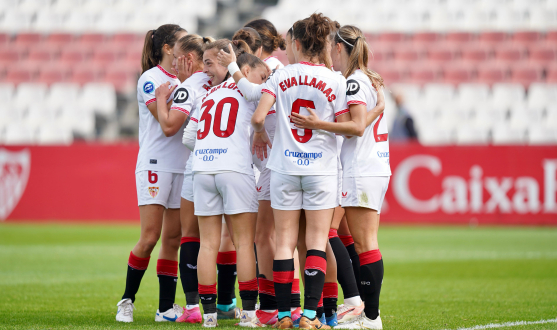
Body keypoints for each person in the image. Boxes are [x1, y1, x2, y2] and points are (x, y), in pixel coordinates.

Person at [290, 24, 390, 330]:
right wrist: (380, 107)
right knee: (362, 241)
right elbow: (365, 121)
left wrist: (318, 124)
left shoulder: (355, 82)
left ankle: (369, 316)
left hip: (360, 169)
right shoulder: (367, 79)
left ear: (337, 48)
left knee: (365, 244)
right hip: (372, 166)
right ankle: (365, 311)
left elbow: (357, 127)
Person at [250, 13, 346, 330]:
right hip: (321, 168)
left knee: (284, 243)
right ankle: (309, 315)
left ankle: (282, 316)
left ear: (298, 42)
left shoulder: (280, 76)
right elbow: (348, 128)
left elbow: (259, 117)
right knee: (317, 240)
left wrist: (261, 134)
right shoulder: (336, 80)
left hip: (284, 168)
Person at [183, 40, 270, 328]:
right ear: (245, 68)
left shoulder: (208, 94)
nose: (264, 80)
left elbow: (188, 138)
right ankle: (247, 314)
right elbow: (258, 94)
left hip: (203, 168)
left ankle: (208, 316)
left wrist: (212, 146)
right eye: (262, 75)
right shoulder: (244, 88)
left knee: (207, 245)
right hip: (233, 168)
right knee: (244, 242)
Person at [116, 24, 187, 323]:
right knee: (150, 236)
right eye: (183, 43)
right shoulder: (151, 78)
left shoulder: (188, 79)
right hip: (156, 163)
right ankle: (126, 300)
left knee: (173, 239)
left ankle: (165, 308)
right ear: (168, 48)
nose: (188, 48)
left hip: (182, 164)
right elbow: (164, 120)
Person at [153, 33, 214, 323]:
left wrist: (162, 99)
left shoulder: (188, 87)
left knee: (191, 236)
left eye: (177, 58)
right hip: (238, 166)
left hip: (199, 166)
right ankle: (237, 306)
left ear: (188, 59)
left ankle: (192, 309)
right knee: (239, 239)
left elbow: (169, 126)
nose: (174, 64)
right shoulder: (226, 78)